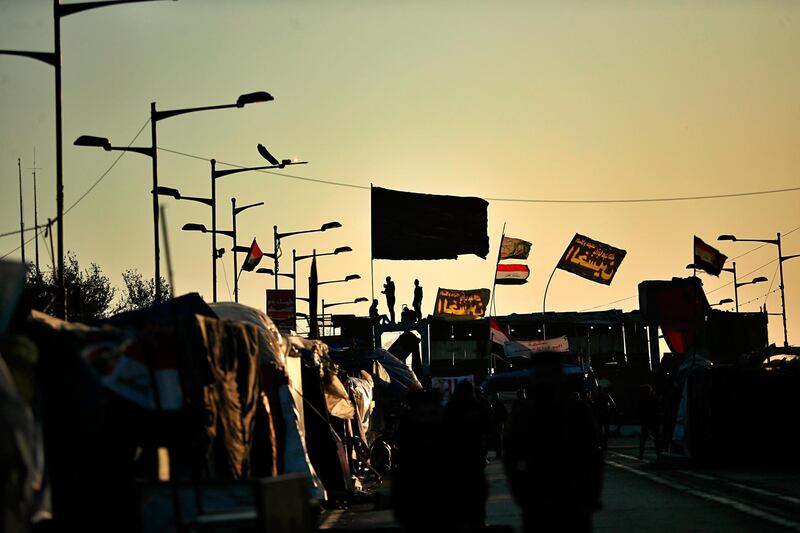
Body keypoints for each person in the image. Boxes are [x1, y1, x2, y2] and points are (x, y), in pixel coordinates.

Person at [503, 352, 603, 533]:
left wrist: (590, 493)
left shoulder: (576, 411)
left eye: (548, 375)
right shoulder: (524, 413)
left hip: (571, 497)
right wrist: (522, 493)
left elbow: (593, 455)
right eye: (540, 376)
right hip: (539, 497)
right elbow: (511, 457)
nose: (544, 382)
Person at [440, 381, 489, 529]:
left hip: (458, 456)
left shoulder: (452, 406)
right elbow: (487, 424)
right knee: (475, 490)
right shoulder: (476, 405)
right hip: (472, 454)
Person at [638, 384, 662, 459]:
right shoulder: (653, 398)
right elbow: (660, 404)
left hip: (646, 421)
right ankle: (659, 454)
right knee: (656, 439)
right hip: (654, 420)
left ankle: (641, 454)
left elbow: (640, 410)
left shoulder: (642, 399)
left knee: (643, 439)